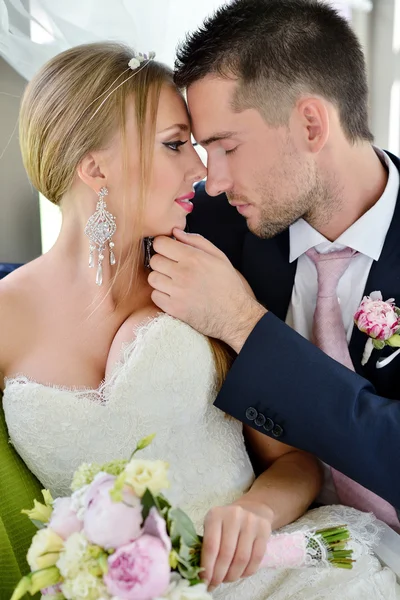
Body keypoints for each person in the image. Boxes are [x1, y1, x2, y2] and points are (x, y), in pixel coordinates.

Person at [0, 41, 397, 600]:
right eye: (175, 145)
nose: (202, 172)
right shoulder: (6, 316)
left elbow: (294, 459)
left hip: (273, 572)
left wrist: (255, 510)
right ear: (94, 167)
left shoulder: (205, 275)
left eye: (201, 144)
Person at [148, 0, 400, 532]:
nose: (211, 180)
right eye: (198, 148)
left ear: (310, 125)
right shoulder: (209, 223)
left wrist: (244, 324)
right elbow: (93, 270)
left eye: (226, 146)